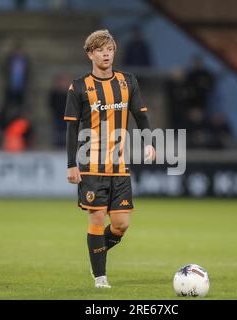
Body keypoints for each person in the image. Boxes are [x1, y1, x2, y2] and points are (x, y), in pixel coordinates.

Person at [65, 30, 156, 289]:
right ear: (90, 54)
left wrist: (149, 142)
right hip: (91, 164)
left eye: (110, 49)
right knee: (96, 219)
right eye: (100, 50)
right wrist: (71, 164)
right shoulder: (79, 86)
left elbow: (141, 115)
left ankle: (96, 252)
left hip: (120, 165)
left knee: (120, 225)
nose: (106, 54)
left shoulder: (128, 81)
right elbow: (71, 128)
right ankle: (100, 277)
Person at [48, 74, 69, 148]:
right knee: (58, 132)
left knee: (66, 132)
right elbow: (51, 104)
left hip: (67, 116)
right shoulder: (54, 93)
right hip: (57, 116)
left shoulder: (70, 93)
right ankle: (58, 146)